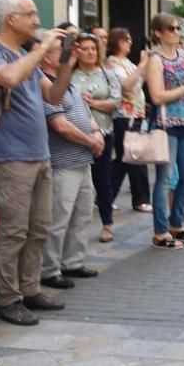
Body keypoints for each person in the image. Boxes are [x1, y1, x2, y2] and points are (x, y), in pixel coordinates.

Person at [0, 0, 76, 326]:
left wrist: (66, 66)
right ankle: (8, 298)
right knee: (13, 231)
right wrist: (44, 47)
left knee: (38, 228)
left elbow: (55, 95)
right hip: (10, 156)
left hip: (39, 154)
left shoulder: (22, 54)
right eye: (30, 14)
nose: (37, 21)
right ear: (10, 19)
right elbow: (8, 77)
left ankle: (30, 289)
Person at [39, 37, 103, 290]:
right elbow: (60, 125)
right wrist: (90, 140)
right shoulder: (46, 86)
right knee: (59, 217)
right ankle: (50, 269)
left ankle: (73, 261)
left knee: (82, 213)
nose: (70, 55)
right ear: (47, 57)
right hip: (62, 162)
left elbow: (87, 115)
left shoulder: (70, 85)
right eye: (63, 52)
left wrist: (97, 134)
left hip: (82, 160)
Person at [145, 13, 184, 249]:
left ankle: (176, 223)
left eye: (178, 27)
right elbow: (157, 96)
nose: (176, 31)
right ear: (159, 33)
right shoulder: (155, 60)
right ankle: (160, 231)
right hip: (165, 126)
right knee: (165, 179)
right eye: (170, 28)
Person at [70, 33, 121, 242]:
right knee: (76, 181)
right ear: (77, 51)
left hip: (103, 132)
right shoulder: (69, 75)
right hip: (75, 135)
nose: (90, 52)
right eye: (85, 48)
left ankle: (107, 223)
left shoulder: (108, 74)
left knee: (102, 179)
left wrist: (91, 103)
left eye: (93, 48)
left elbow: (116, 102)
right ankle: (74, 225)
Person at [107, 28, 152, 213]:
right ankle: (140, 199)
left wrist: (147, 64)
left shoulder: (127, 62)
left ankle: (106, 194)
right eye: (127, 40)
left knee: (125, 159)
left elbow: (143, 81)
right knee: (135, 156)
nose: (130, 43)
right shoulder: (112, 63)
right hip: (124, 115)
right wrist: (141, 65)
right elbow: (125, 86)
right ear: (119, 41)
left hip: (136, 113)